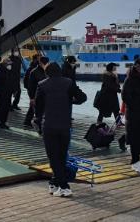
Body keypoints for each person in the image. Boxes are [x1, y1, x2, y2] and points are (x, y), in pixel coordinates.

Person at [35, 62, 87, 197]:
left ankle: (64, 187)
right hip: (65, 125)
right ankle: (54, 183)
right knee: (62, 157)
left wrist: (38, 121)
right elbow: (82, 97)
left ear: (47, 72)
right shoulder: (68, 82)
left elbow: (38, 107)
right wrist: (70, 101)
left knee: (53, 158)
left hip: (49, 125)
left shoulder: (42, 85)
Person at [0, 58, 18, 128]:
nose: (10, 65)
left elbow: (12, 82)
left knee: (6, 108)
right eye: (8, 64)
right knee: (1, 108)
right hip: (1, 93)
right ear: (4, 64)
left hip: (8, 93)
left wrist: (14, 91)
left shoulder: (9, 71)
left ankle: (3, 122)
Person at [24, 56, 48, 129]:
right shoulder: (34, 72)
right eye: (44, 63)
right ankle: (29, 122)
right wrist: (31, 97)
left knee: (39, 109)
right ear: (40, 63)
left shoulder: (46, 71)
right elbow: (30, 86)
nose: (45, 64)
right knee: (34, 109)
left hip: (43, 94)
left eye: (46, 63)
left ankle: (32, 122)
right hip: (35, 93)